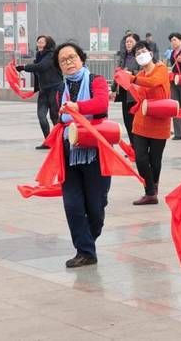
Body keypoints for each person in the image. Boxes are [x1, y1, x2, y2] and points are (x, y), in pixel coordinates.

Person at [53, 42, 111, 268]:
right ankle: (85, 251)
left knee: (96, 206)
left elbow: (101, 104)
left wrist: (76, 107)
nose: (68, 62)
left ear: (81, 58)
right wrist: (63, 115)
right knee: (72, 204)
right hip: (69, 149)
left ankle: (88, 239)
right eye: (63, 60)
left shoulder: (95, 80)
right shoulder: (61, 89)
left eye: (71, 57)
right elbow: (60, 117)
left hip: (96, 149)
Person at [127, 41, 171, 206]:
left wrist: (132, 78)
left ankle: (153, 189)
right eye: (137, 53)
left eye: (143, 51)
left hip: (160, 119)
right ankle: (150, 192)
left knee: (155, 159)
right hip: (141, 120)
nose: (140, 55)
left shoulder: (161, 69)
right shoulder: (141, 75)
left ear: (151, 53)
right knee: (140, 157)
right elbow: (138, 89)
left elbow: (153, 82)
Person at [16, 35, 63, 148]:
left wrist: (24, 67)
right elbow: (38, 70)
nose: (39, 44)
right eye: (38, 42)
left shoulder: (51, 55)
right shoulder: (38, 55)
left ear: (48, 44)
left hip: (54, 88)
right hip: (44, 90)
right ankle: (48, 142)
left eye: (42, 42)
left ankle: (60, 141)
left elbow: (41, 67)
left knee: (54, 116)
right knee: (41, 116)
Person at [110, 33, 140, 144]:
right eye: (127, 42)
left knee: (134, 121)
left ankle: (138, 146)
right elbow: (118, 73)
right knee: (127, 121)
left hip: (134, 93)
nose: (128, 44)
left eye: (131, 41)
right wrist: (113, 88)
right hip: (123, 92)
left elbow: (143, 72)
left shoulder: (139, 56)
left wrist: (131, 73)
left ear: (136, 43)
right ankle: (133, 145)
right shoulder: (123, 57)